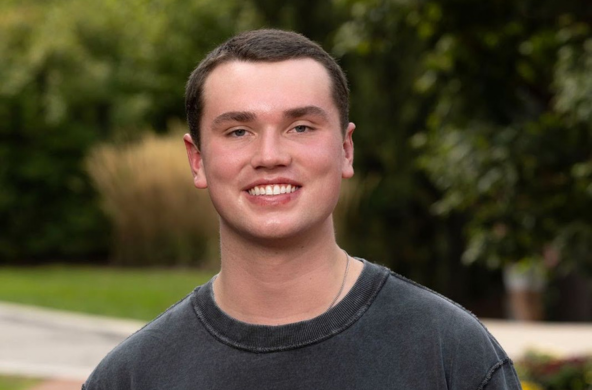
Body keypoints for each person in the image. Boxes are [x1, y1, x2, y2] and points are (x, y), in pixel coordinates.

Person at [83, 29, 522, 390]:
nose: (270, 154)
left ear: (346, 149)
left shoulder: (450, 354)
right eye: (238, 131)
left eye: (301, 127)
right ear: (197, 159)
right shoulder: (132, 378)